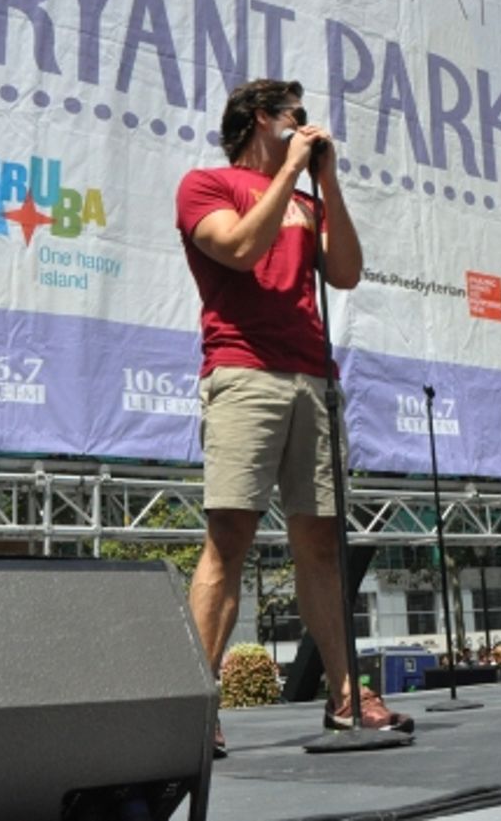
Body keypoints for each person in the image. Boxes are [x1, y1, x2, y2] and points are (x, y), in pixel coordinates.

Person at [176, 78, 410, 757]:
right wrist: (286, 174)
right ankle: (196, 702)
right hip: (242, 371)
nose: (307, 126)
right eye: (295, 116)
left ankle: (345, 696)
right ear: (259, 119)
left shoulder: (308, 197)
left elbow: (346, 273)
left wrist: (327, 184)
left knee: (320, 539)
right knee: (230, 536)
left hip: (313, 375)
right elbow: (241, 249)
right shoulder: (206, 184)